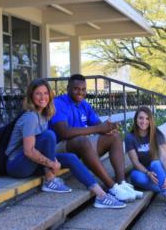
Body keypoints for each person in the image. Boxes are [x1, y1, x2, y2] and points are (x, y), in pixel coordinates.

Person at [6, 78, 125, 208]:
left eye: (46, 93)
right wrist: (51, 163)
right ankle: (50, 180)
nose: (43, 97)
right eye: (38, 94)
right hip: (17, 165)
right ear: (31, 96)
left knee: (71, 158)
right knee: (49, 135)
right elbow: (29, 151)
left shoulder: (44, 115)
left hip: (32, 163)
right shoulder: (31, 117)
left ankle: (101, 196)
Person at [49, 74, 141, 203]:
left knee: (114, 136)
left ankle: (121, 183)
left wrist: (109, 127)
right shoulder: (59, 103)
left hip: (81, 145)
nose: (80, 92)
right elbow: (64, 133)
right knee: (82, 140)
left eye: (83, 89)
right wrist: (99, 129)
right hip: (59, 148)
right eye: (76, 88)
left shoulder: (84, 105)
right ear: (68, 88)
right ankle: (112, 187)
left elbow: (98, 125)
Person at [124, 106, 166, 217]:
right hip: (143, 171)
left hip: (158, 168)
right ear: (136, 119)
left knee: (155, 163)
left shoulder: (157, 134)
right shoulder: (129, 138)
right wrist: (148, 173)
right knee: (135, 176)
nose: (144, 121)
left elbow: (164, 157)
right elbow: (136, 162)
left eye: (147, 118)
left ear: (151, 120)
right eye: (141, 118)